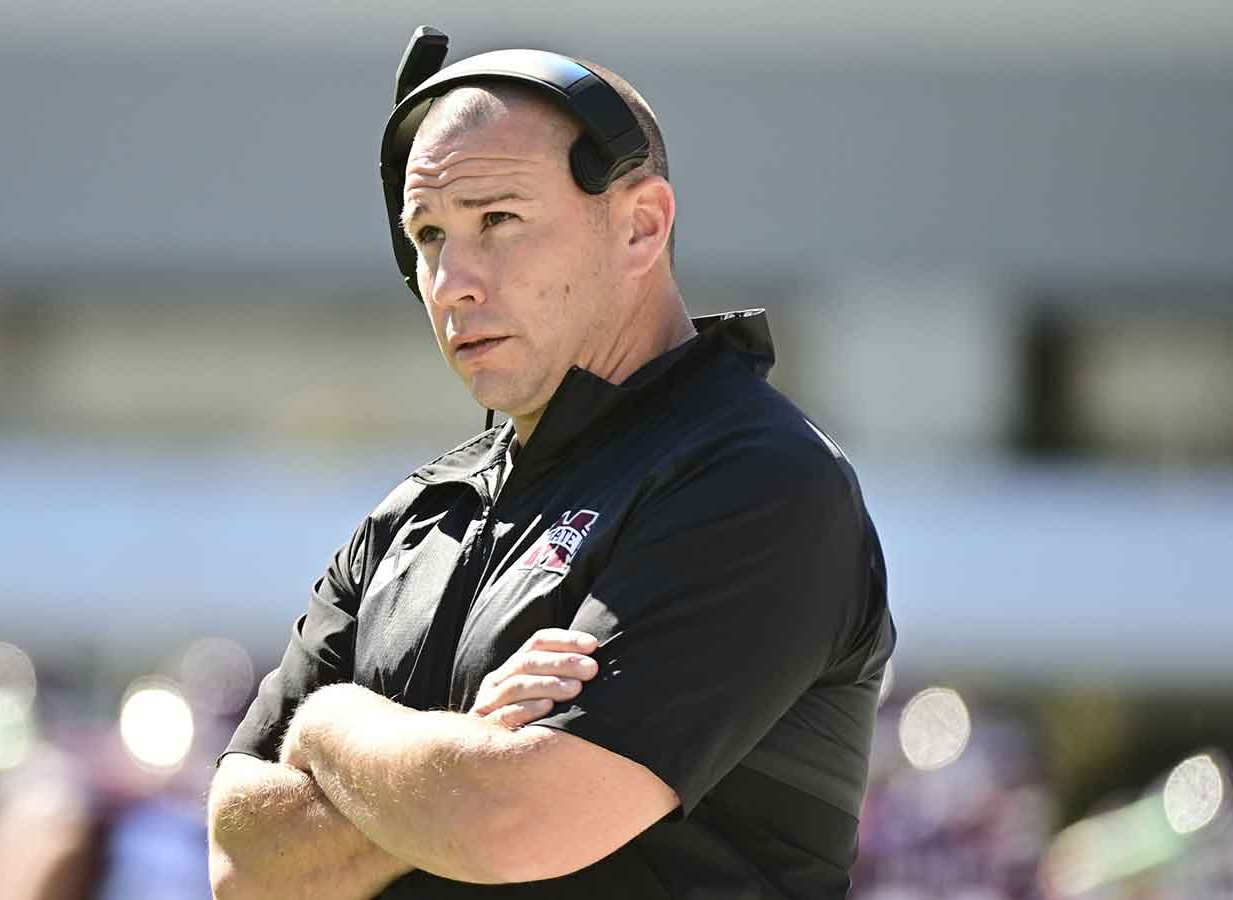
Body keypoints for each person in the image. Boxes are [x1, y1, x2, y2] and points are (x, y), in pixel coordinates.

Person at [206, 36, 895, 899]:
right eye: (427, 235)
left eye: (497, 220)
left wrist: (332, 724)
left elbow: (512, 824)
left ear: (642, 225)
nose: (452, 281)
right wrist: (462, 747)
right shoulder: (412, 517)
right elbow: (241, 865)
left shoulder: (756, 480)